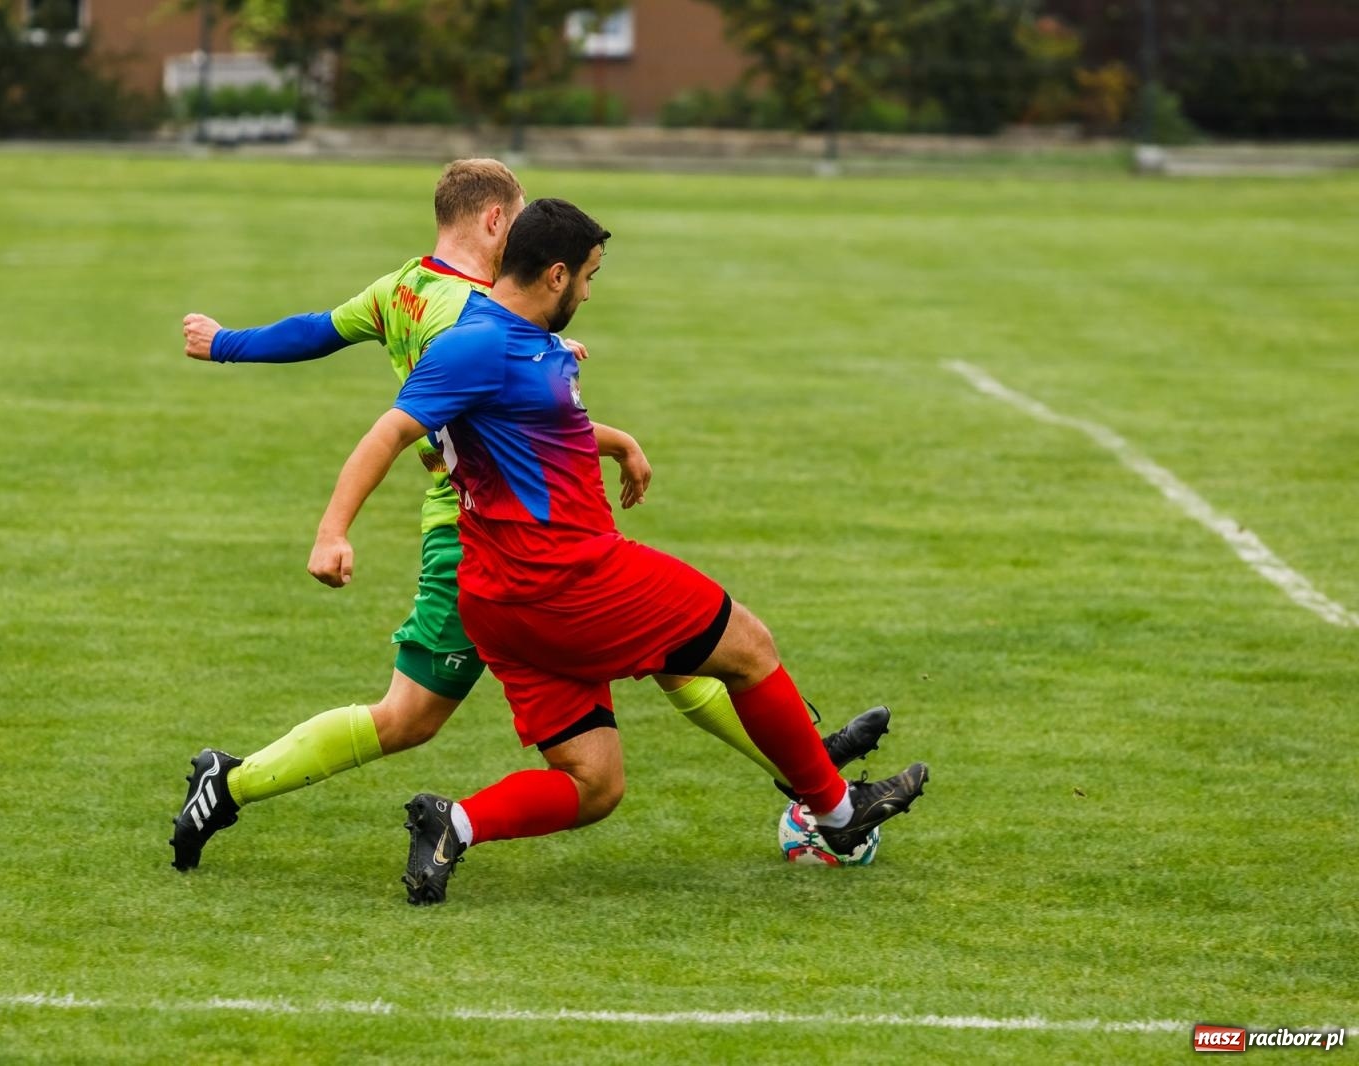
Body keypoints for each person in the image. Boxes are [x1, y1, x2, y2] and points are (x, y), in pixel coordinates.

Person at [170, 161, 891, 872]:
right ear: (496, 223)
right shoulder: (477, 318)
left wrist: (227, 344)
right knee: (409, 718)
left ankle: (809, 767)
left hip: (506, 529)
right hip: (483, 537)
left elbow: (317, 329)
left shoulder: (402, 288)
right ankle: (230, 783)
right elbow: (443, 423)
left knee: (671, 655)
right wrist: (335, 528)